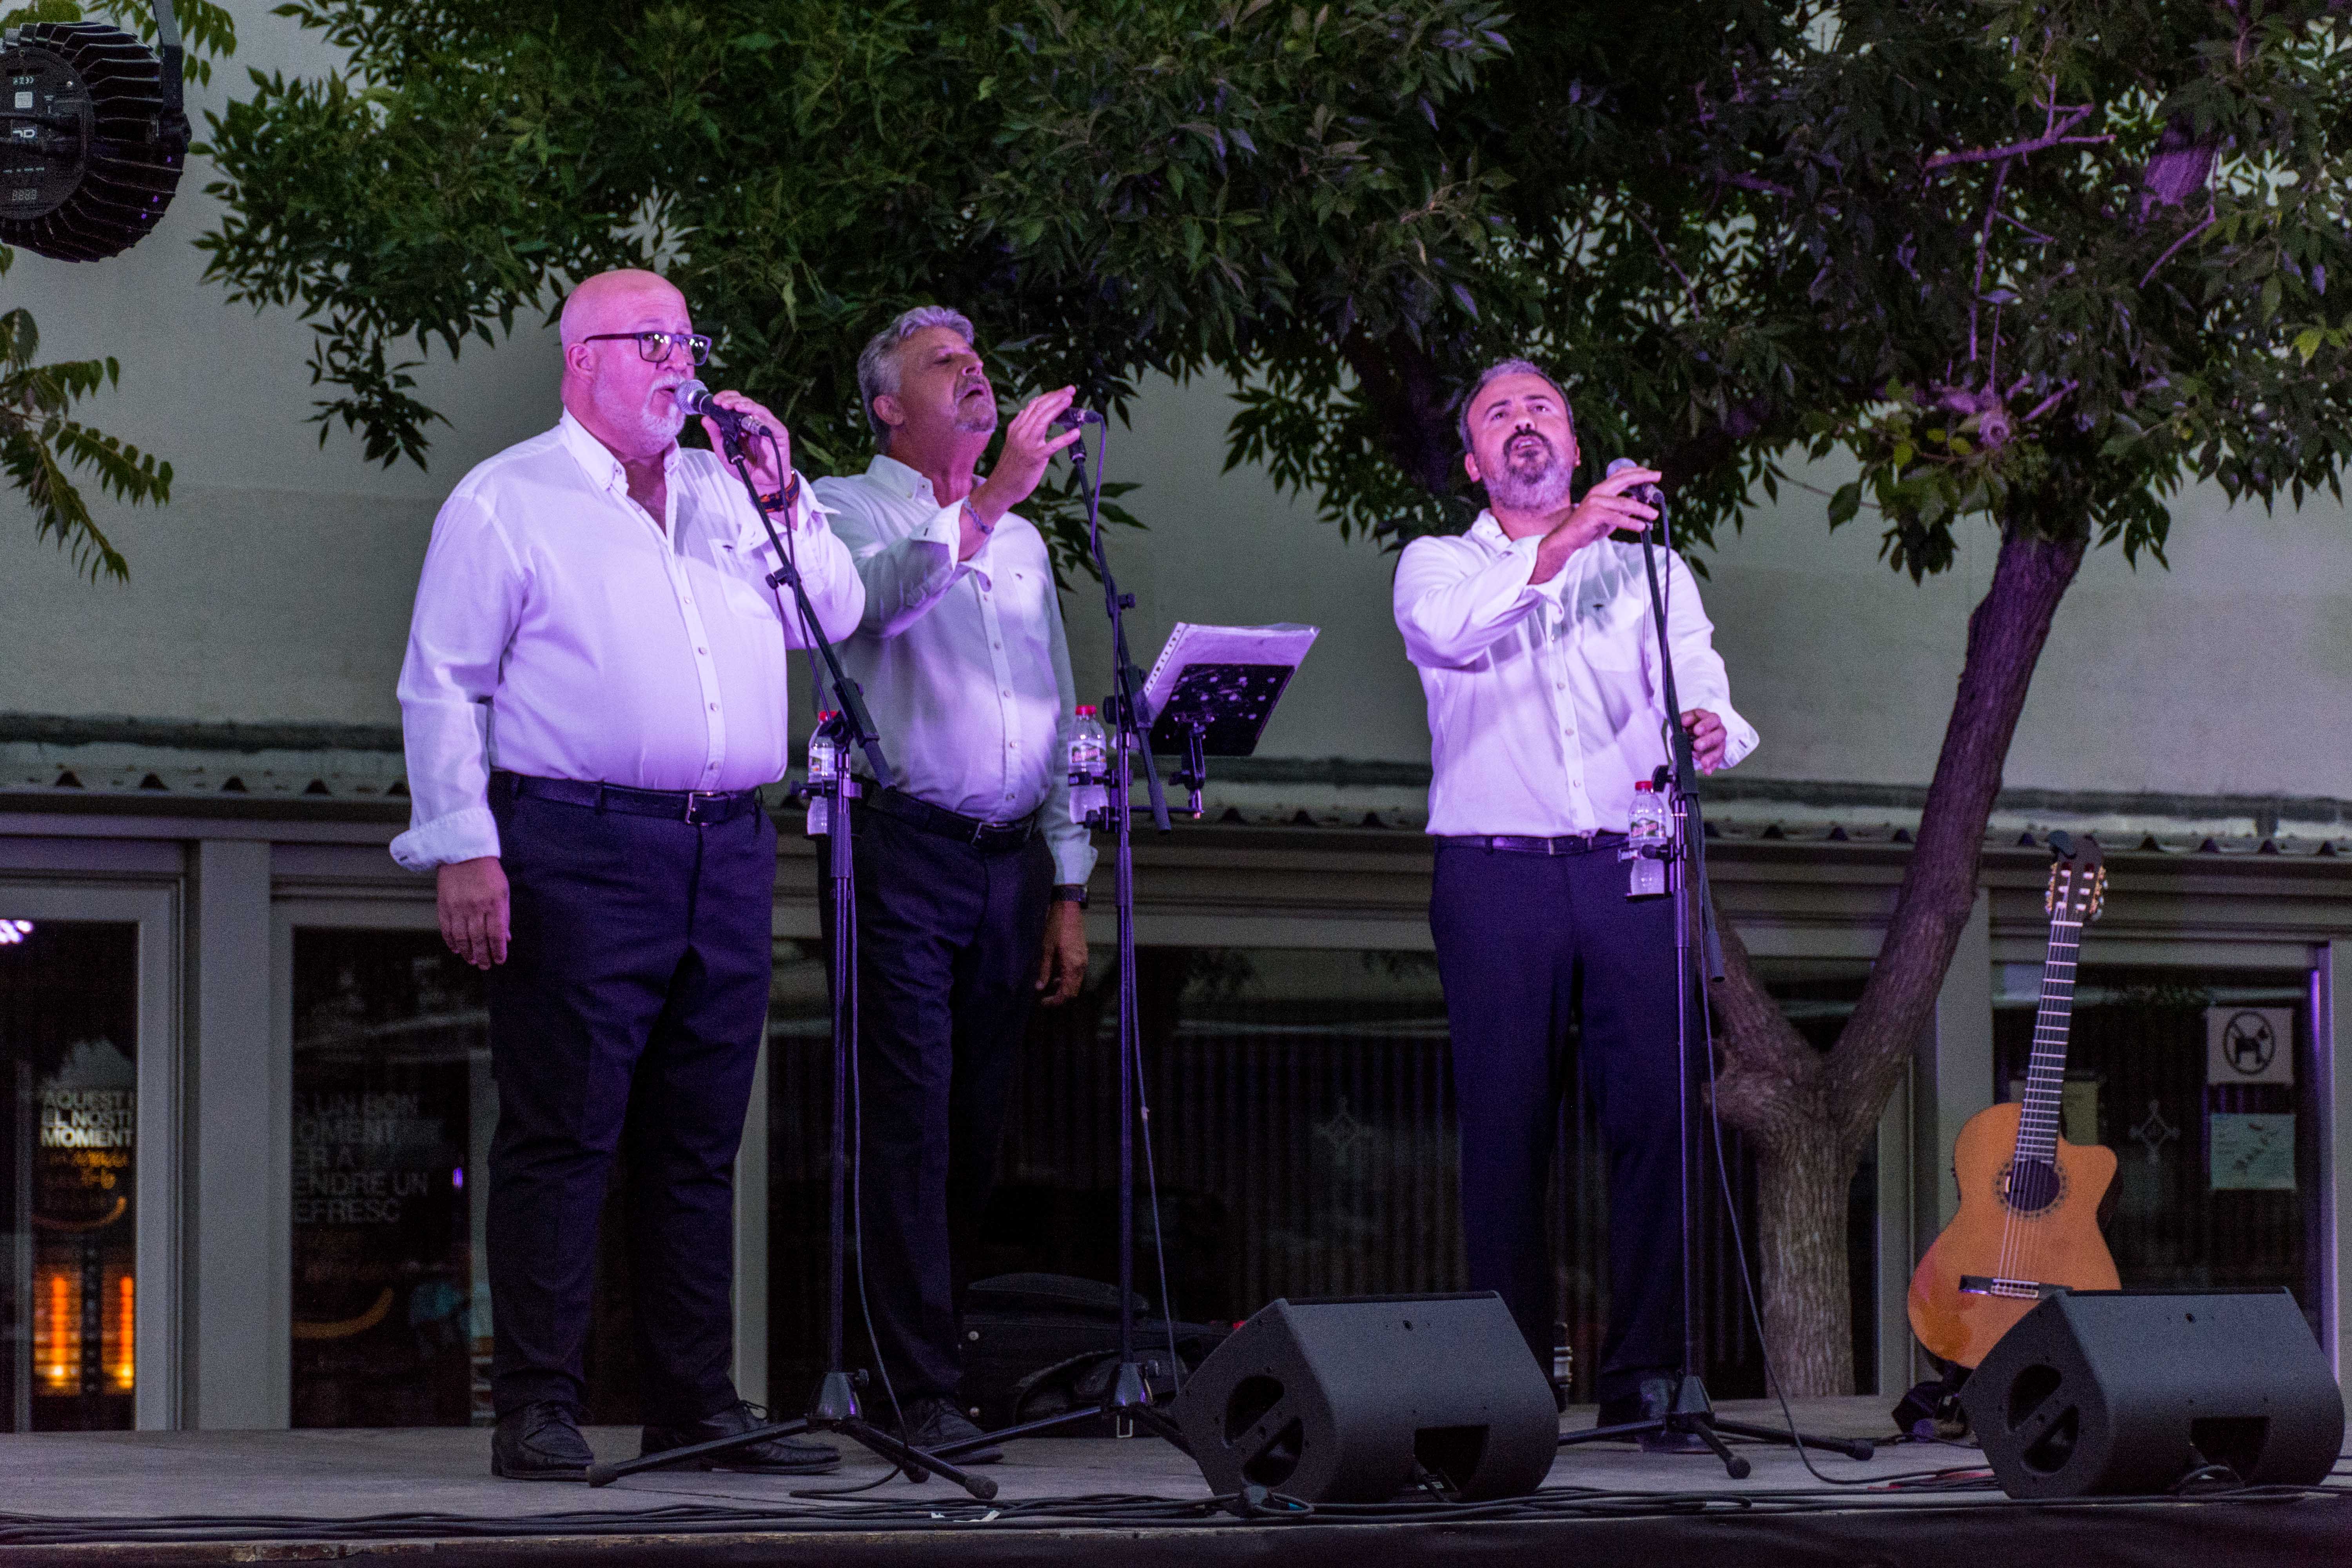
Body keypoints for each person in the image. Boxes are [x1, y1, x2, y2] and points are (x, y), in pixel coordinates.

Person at [391, 268, 865, 1480]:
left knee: (699, 1139)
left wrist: (785, 489)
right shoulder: (510, 499)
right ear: (580, 361)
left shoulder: (728, 493)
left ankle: (692, 1400)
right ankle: (537, 1406)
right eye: (648, 341)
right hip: (576, 844)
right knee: (564, 1133)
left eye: (687, 340)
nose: (676, 362)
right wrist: (465, 845)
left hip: (728, 845)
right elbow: (444, 681)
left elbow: (838, 615)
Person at [1392, 358, 1759, 1427]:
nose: (1522, 421)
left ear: (1575, 447)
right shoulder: (1436, 565)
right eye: (1497, 412)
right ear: (1473, 462)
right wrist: (1563, 545)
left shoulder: (1651, 568)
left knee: (1657, 1121)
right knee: (1507, 1133)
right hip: (1494, 875)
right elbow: (1453, 635)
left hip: (1630, 868)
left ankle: (1648, 1377)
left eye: (1542, 405)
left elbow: (1700, 679)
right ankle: (1508, 1388)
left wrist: (1709, 730)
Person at [811, 306, 1095, 1461]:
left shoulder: (1023, 541)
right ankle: (907, 1383)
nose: (977, 375)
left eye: (982, 359)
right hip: (904, 849)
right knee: (908, 1122)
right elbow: (873, 603)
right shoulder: (842, 506)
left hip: (1008, 862)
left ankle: (933, 1358)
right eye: (946, 365)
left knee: (976, 1131)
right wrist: (981, 507)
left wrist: (1068, 881)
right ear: (888, 405)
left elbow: (1061, 705)